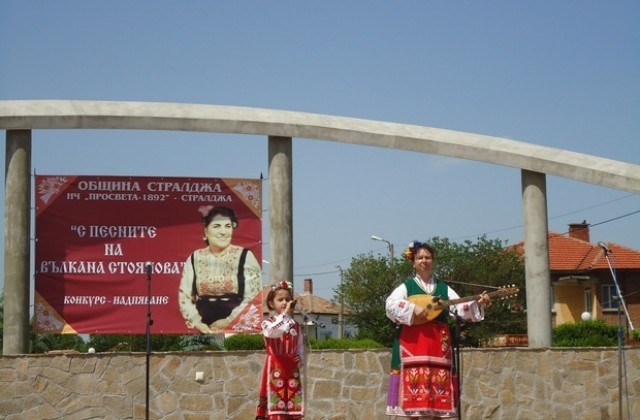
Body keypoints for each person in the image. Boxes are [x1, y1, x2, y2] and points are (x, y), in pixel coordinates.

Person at [385, 241, 491, 419]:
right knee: (412, 410)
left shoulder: (443, 288)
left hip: (437, 347)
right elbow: (390, 305)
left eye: (427, 257)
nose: (424, 261)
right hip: (413, 345)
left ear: (433, 261)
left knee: (436, 406)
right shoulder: (406, 287)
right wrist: (412, 309)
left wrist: (478, 303)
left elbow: (460, 307)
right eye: (420, 257)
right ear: (413, 262)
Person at [178, 205, 262, 333]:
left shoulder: (245, 257)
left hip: (236, 326)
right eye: (217, 226)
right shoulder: (195, 258)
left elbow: (254, 295)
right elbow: (185, 295)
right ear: (206, 231)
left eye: (227, 226)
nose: (223, 232)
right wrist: (198, 323)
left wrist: (229, 321)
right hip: (201, 329)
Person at [256, 281, 304, 420]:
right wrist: (285, 315)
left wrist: (299, 358)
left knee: (292, 407)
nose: (285, 302)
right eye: (280, 299)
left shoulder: (296, 325)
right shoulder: (267, 323)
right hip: (274, 368)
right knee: (275, 405)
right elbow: (272, 333)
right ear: (271, 303)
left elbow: (299, 344)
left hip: (291, 370)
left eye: (288, 299)